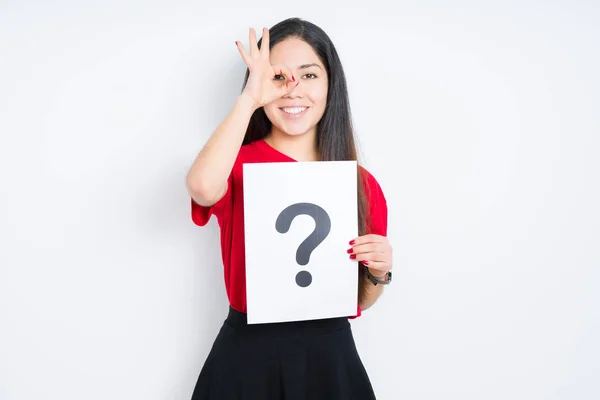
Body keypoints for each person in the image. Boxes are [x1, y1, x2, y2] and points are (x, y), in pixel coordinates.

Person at [186, 17, 393, 400]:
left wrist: (379, 272)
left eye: (310, 75)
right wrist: (249, 100)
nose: (293, 90)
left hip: (328, 356)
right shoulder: (236, 164)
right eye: (279, 77)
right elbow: (201, 187)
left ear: (332, 85)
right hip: (247, 353)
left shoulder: (361, 184)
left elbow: (359, 298)